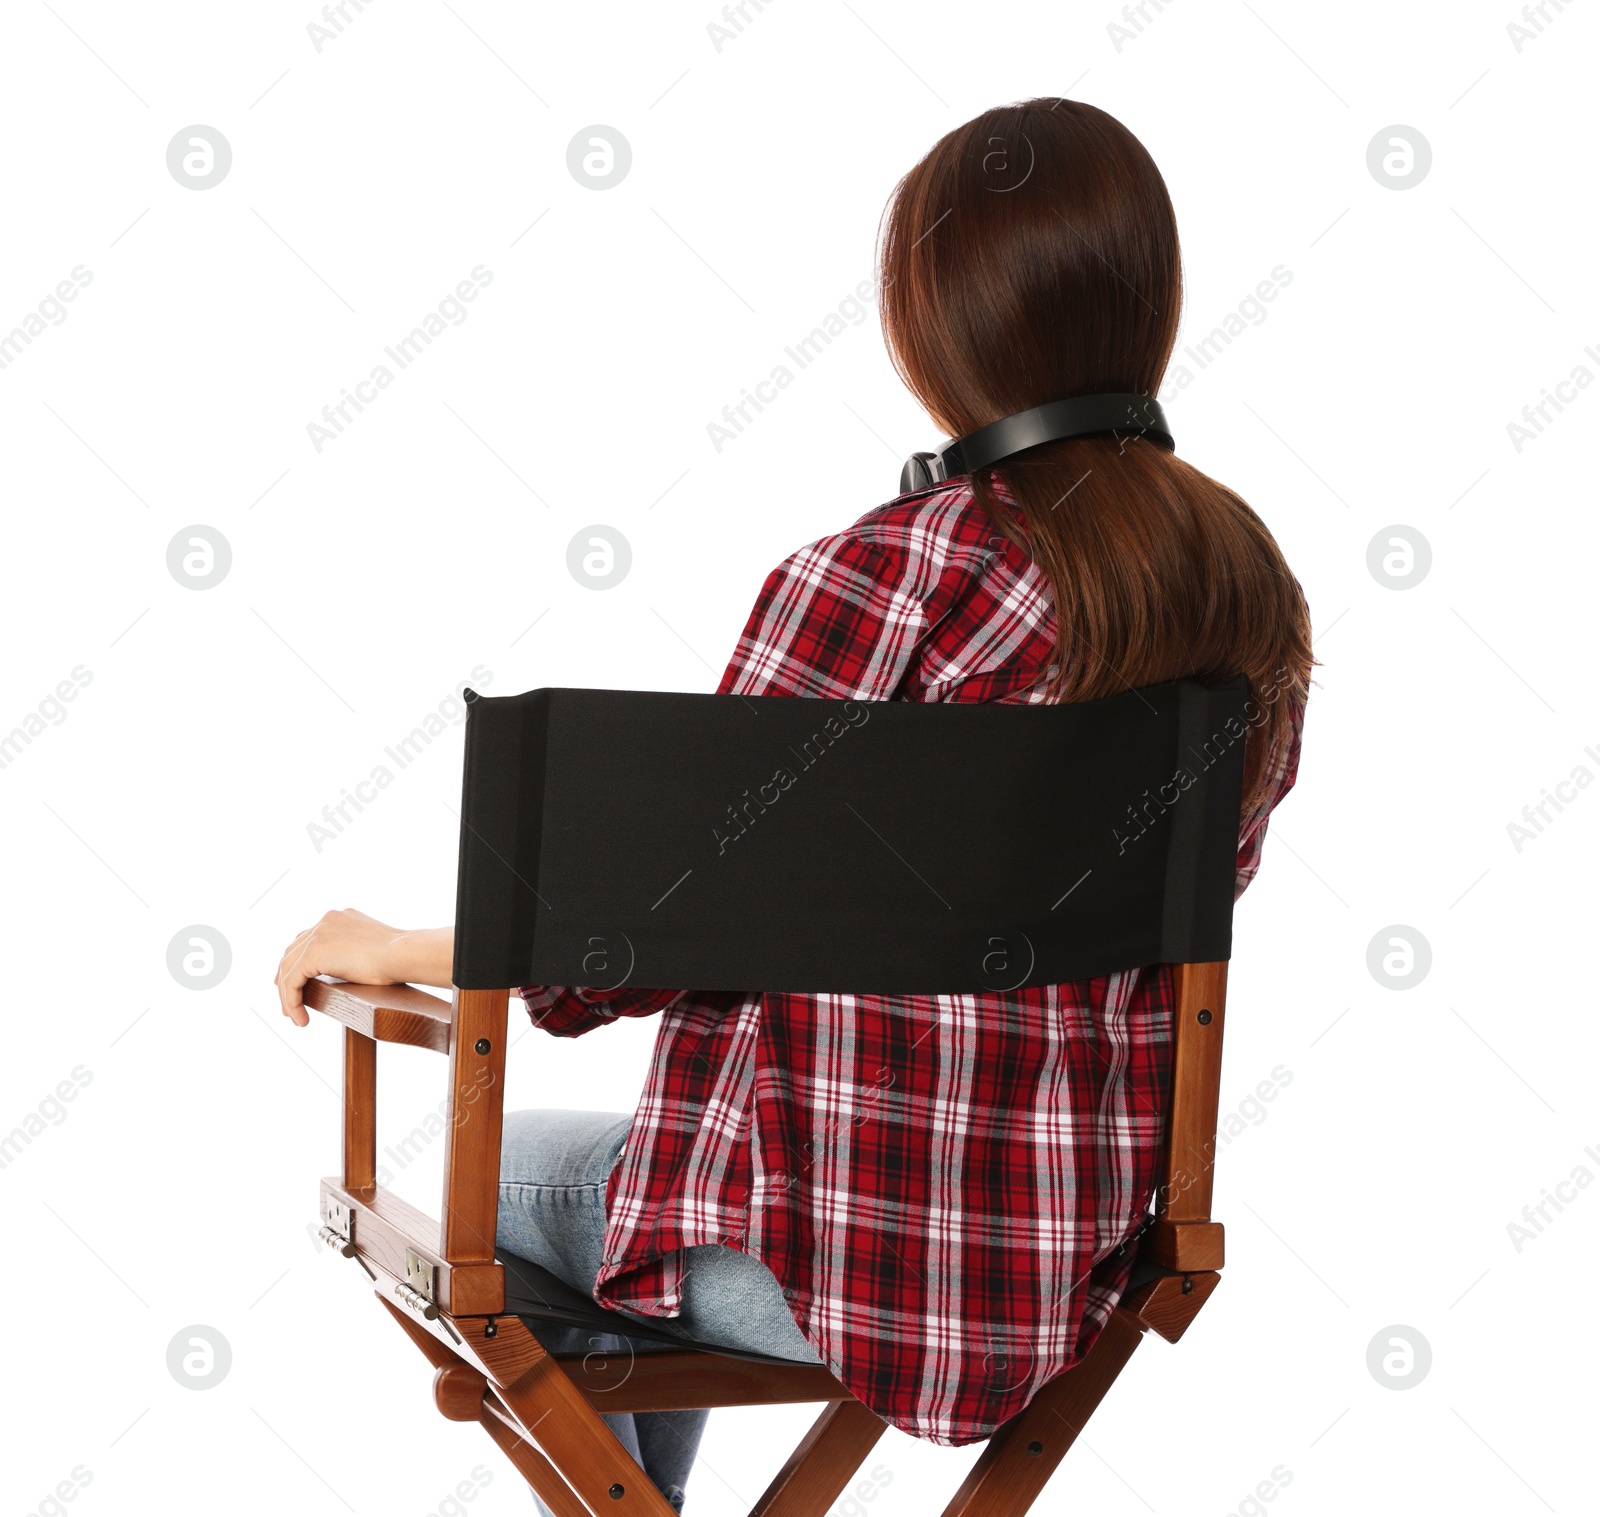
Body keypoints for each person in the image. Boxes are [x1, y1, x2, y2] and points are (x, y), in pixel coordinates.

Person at [276, 97, 1312, 1514]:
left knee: (500, 1179)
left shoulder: (882, 576)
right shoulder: (1240, 594)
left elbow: (617, 942)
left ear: (932, 321)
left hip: (817, 1272)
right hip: (1073, 1274)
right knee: (598, 1188)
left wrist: (384, 943)